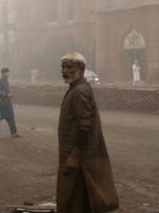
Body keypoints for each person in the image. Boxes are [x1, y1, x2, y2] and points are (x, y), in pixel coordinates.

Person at [56, 52, 119, 212]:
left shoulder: (79, 91)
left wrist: (74, 156)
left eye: (70, 67)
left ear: (81, 69)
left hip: (78, 156)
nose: (65, 71)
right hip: (75, 154)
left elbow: (84, 125)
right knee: (79, 197)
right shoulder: (76, 88)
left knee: (74, 195)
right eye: (63, 67)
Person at [0, 67, 21, 138]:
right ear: (2, 73)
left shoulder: (6, 81)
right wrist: (6, 94)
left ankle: (14, 133)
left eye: (8, 72)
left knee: (10, 117)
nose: (7, 73)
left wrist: (10, 93)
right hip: (3, 103)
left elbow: (7, 90)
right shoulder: (0, 81)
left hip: (7, 102)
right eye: (6, 72)